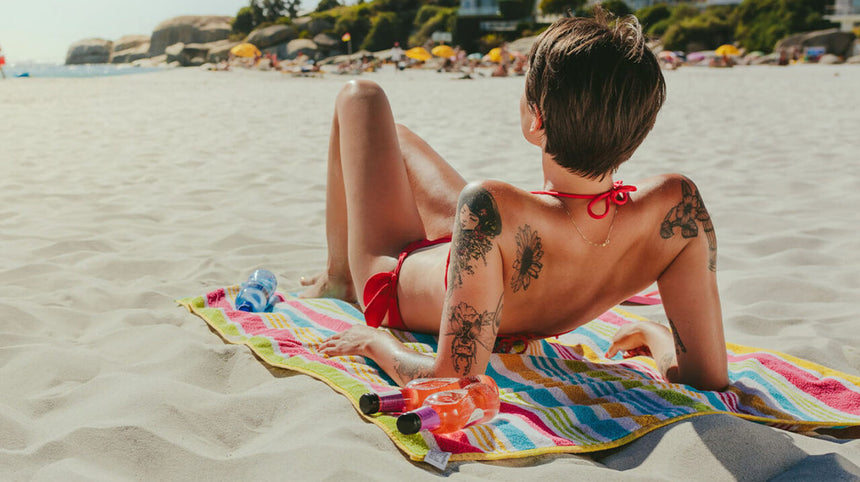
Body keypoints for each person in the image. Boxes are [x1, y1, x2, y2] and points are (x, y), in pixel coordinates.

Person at [309, 10, 729, 392]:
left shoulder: (492, 206)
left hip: (396, 280)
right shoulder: (679, 208)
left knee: (360, 96)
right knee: (392, 137)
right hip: (484, 257)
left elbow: (452, 379)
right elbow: (706, 378)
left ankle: (340, 278)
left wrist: (374, 344)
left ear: (537, 118)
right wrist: (657, 336)